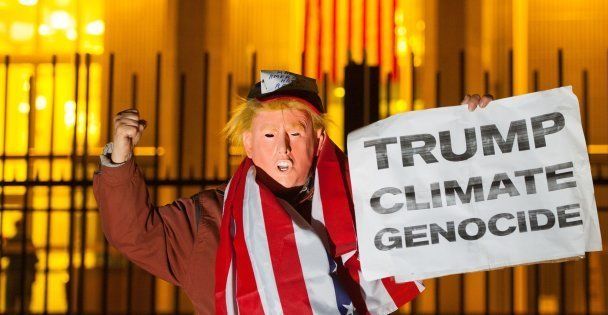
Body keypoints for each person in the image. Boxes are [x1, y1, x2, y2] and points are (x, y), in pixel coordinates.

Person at [93, 70, 492, 314]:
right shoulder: (207, 220)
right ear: (248, 143)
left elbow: (441, 206)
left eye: (295, 133)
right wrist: (120, 158)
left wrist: (475, 135)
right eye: (269, 134)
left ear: (318, 140)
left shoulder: (366, 205)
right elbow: (133, 234)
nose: (282, 149)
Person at [2, 219, 38, 314]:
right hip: (26, 273)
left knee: (10, 302)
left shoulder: (12, 241)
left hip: (13, 273)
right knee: (25, 301)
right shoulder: (29, 241)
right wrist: (34, 274)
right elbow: (34, 260)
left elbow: (4, 254)